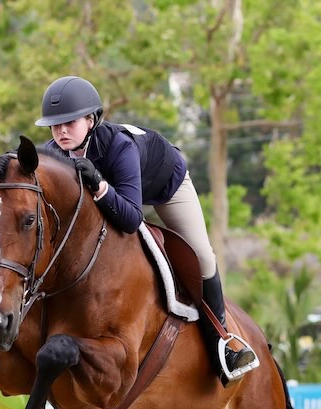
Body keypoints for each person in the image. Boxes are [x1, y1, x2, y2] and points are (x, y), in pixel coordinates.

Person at [36, 75, 257, 383]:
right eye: (54, 125)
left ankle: (223, 344)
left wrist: (99, 184)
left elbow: (130, 219)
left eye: (69, 123)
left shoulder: (118, 147)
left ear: (90, 120)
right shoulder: (53, 154)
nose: (60, 131)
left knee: (203, 256)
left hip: (166, 185)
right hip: (122, 192)